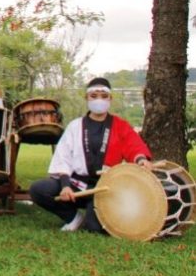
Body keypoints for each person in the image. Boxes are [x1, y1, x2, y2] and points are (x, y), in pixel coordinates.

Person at [29, 77, 153, 233]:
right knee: (38, 189)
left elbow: (133, 145)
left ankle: (92, 213)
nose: (99, 100)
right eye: (94, 96)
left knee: (94, 228)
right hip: (77, 184)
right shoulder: (75, 126)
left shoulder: (120, 125)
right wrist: (66, 186)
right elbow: (63, 157)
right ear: (87, 98)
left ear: (110, 99)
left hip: (105, 187)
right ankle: (73, 217)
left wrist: (141, 159)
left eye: (103, 96)